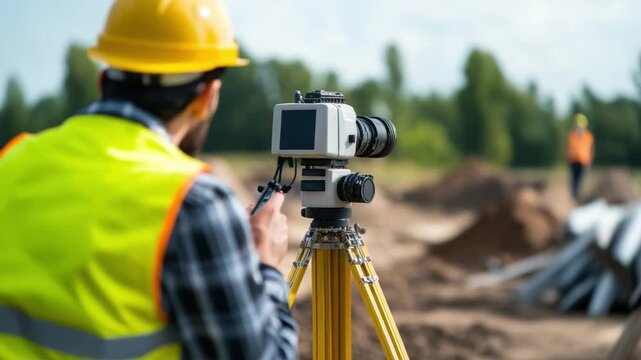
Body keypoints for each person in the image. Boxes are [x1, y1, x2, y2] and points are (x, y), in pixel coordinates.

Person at [0, 0, 298, 359]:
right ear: (207, 97)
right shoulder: (195, 200)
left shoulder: (11, 161)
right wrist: (265, 265)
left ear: (103, 80)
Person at [566, 113, 594, 200]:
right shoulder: (572, 135)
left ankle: (577, 195)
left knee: (580, 180)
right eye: (577, 126)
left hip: (583, 161)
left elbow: (591, 150)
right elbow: (568, 147)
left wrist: (589, 162)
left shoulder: (588, 136)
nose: (579, 128)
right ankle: (573, 195)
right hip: (573, 161)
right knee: (573, 179)